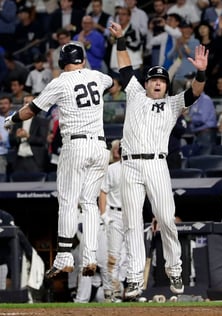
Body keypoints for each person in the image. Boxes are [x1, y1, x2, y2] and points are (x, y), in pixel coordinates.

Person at [108, 21, 209, 300]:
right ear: (147, 82)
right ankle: (133, 279)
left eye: (161, 80)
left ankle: (174, 268)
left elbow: (196, 91)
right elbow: (126, 67)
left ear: (166, 85)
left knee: (165, 218)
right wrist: (120, 39)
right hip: (129, 164)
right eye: (153, 79)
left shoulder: (174, 103)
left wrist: (200, 70)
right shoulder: (136, 94)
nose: (156, 83)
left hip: (156, 164)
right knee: (131, 223)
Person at [4, 43, 113, 279]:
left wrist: (11, 119)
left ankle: (64, 256)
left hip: (76, 145)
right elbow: (111, 83)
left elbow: (31, 110)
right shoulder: (98, 76)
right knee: (90, 203)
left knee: (67, 200)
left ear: (63, 62)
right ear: (82, 60)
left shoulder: (60, 82)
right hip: (100, 146)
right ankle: (90, 256)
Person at [99, 140, 125, 302]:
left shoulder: (138, 169)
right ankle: (110, 290)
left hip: (132, 216)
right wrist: (104, 215)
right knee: (113, 256)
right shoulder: (112, 169)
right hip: (115, 215)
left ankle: (122, 289)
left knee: (128, 256)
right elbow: (103, 192)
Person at [8, 94, 49, 173]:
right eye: (25, 103)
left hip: (34, 160)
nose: (27, 105)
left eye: (30, 103)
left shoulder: (42, 122)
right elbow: (11, 141)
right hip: (18, 160)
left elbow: (42, 141)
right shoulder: (16, 121)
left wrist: (27, 136)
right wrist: (17, 137)